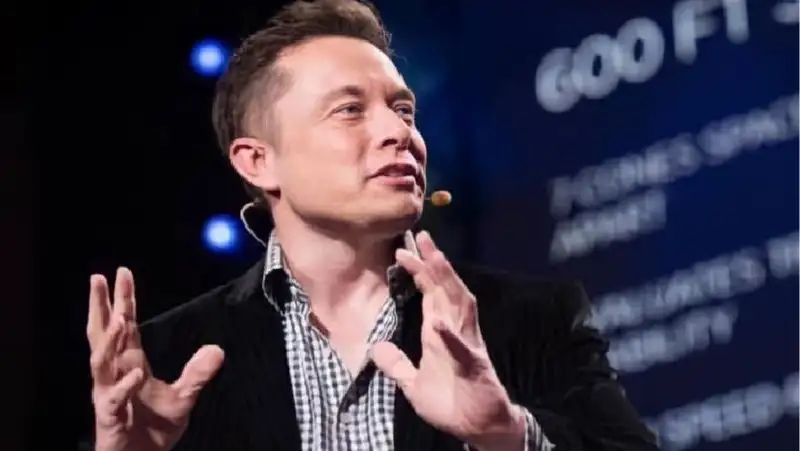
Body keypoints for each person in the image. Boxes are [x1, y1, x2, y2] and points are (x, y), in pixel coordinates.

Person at [85, 1, 659, 450]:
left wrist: (506, 434)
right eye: (350, 110)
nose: (399, 133)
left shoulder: (532, 320)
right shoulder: (168, 361)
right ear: (258, 161)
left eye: (404, 110)